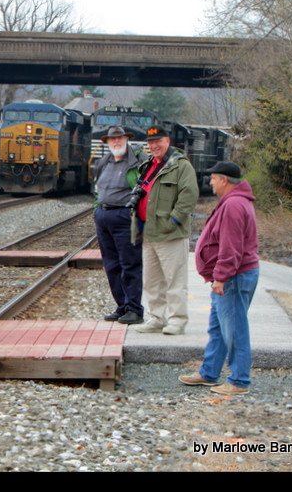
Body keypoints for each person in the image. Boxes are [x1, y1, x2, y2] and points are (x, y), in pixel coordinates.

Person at [179, 161, 259, 395]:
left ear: (224, 180)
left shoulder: (234, 204)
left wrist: (221, 277)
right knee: (218, 328)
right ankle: (209, 373)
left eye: (213, 178)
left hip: (234, 277)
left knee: (234, 330)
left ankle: (239, 381)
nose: (211, 182)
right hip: (232, 276)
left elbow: (231, 247)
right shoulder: (234, 201)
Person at [132, 126, 199, 335]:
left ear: (167, 141)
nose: (154, 146)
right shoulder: (147, 165)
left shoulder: (180, 166)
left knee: (175, 280)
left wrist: (173, 221)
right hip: (148, 233)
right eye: (151, 143)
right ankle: (156, 318)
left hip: (170, 234)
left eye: (158, 142)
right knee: (152, 282)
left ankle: (177, 320)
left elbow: (189, 196)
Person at [92, 126, 148, 324]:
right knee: (111, 265)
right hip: (104, 215)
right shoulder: (104, 162)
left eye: (120, 139)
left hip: (126, 216)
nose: (117, 142)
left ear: (126, 140)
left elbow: (146, 188)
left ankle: (135, 309)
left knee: (130, 263)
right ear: (107, 142)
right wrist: (96, 211)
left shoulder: (138, 161)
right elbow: (97, 188)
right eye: (113, 139)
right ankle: (122, 306)